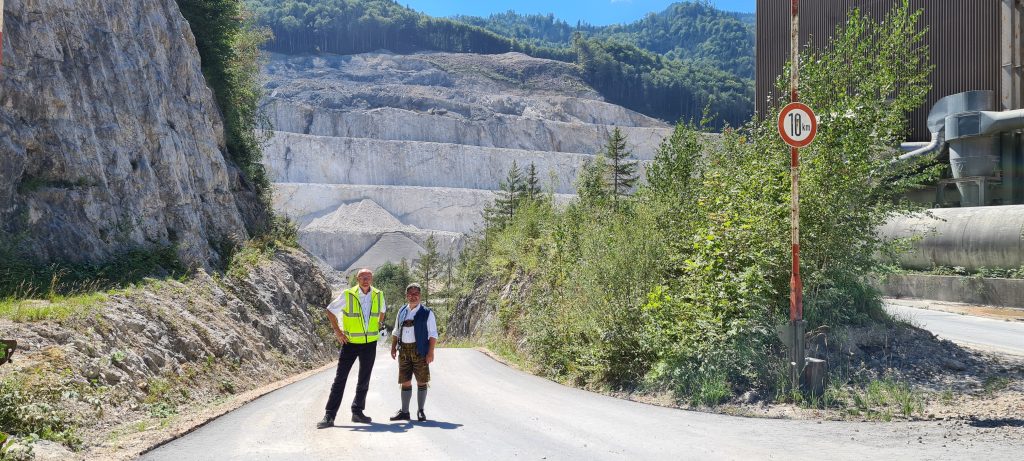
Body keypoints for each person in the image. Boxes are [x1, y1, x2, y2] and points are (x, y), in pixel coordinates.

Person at [317, 268, 386, 429]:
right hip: (350, 343)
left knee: (364, 379)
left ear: (372, 279)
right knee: (340, 379)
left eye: (368, 277)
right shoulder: (348, 294)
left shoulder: (379, 294)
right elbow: (330, 310)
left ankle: (357, 412)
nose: (365, 280)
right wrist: (338, 331)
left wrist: (379, 325)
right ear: (357, 279)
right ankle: (329, 415)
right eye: (362, 277)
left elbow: (382, 311)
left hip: (370, 344)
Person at [388, 283, 437, 422]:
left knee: (422, 381)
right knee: (405, 381)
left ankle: (420, 411)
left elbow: (433, 334)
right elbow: (396, 331)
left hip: (420, 350)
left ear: (420, 296)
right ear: (406, 295)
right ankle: (404, 412)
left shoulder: (427, 312)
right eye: (410, 294)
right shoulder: (402, 310)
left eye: (416, 294)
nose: (413, 296)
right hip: (403, 350)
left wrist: (430, 352)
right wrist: (393, 347)